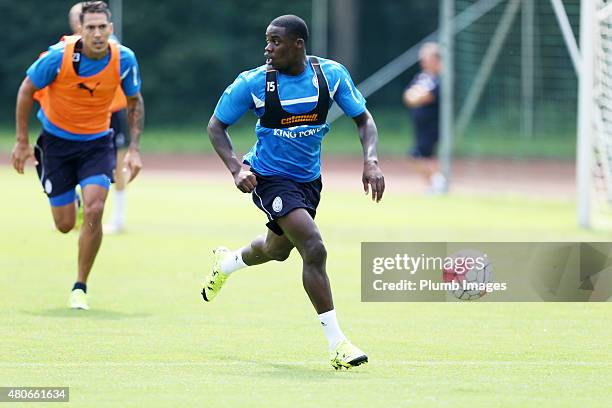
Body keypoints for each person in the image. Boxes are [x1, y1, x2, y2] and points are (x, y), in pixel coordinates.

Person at [203, 15, 385, 370]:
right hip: (268, 178)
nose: (267, 49)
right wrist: (237, 168)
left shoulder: (330, 76)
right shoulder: (253, 83)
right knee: (313, 247)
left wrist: (372, 160)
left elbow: (363, 119)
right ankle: (338, 344)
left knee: (277, 249)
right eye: (267, 41)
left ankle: (226, 263)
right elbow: (216, 126)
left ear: (298, 44)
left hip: (308, 182)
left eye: (275, 42)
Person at [11, 1, 144, 310]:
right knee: (64, 224)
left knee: (96, 210)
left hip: (97, 143)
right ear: (79, 31)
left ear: (110, 29)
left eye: (102, 27)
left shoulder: (124, 59)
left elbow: (135, 101)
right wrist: (21, 142)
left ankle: (80, 286)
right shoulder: (58, 58)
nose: (97, 33)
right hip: (56, 145)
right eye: (91, 28)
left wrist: (135, 149)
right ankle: (75, 202)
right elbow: (26, 90)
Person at [403, 42, 446, 194]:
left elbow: (428, 96)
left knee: (418, 154)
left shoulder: (441, 78)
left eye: (426, 57)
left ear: (435, 59)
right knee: (424, 155)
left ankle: (438, 182)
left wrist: (418, 95)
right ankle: (432, 185)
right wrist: (417, 95)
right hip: (420, 125)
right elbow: (408, 96)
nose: (423, 61)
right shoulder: (421, 77)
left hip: (433, 124)